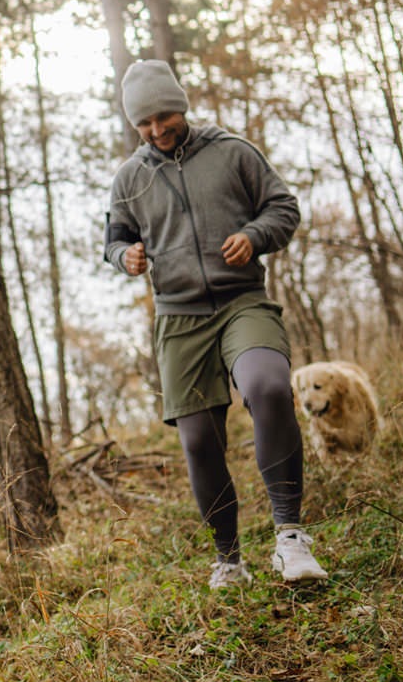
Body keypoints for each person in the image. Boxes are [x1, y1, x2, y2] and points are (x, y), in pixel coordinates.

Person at [101, 59, 328, 590]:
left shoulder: (233, 153)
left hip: (241, 300)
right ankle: (229, 560)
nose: (157, 130)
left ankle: (290, 539)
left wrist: (254, 235)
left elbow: (283, 208)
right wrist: (124, 257)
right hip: (179, 318)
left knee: (269, 388)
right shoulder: (131, 178)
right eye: (145, 124)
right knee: (200, 441)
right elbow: (113, 238)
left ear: (180, 106)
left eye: (164, 116)